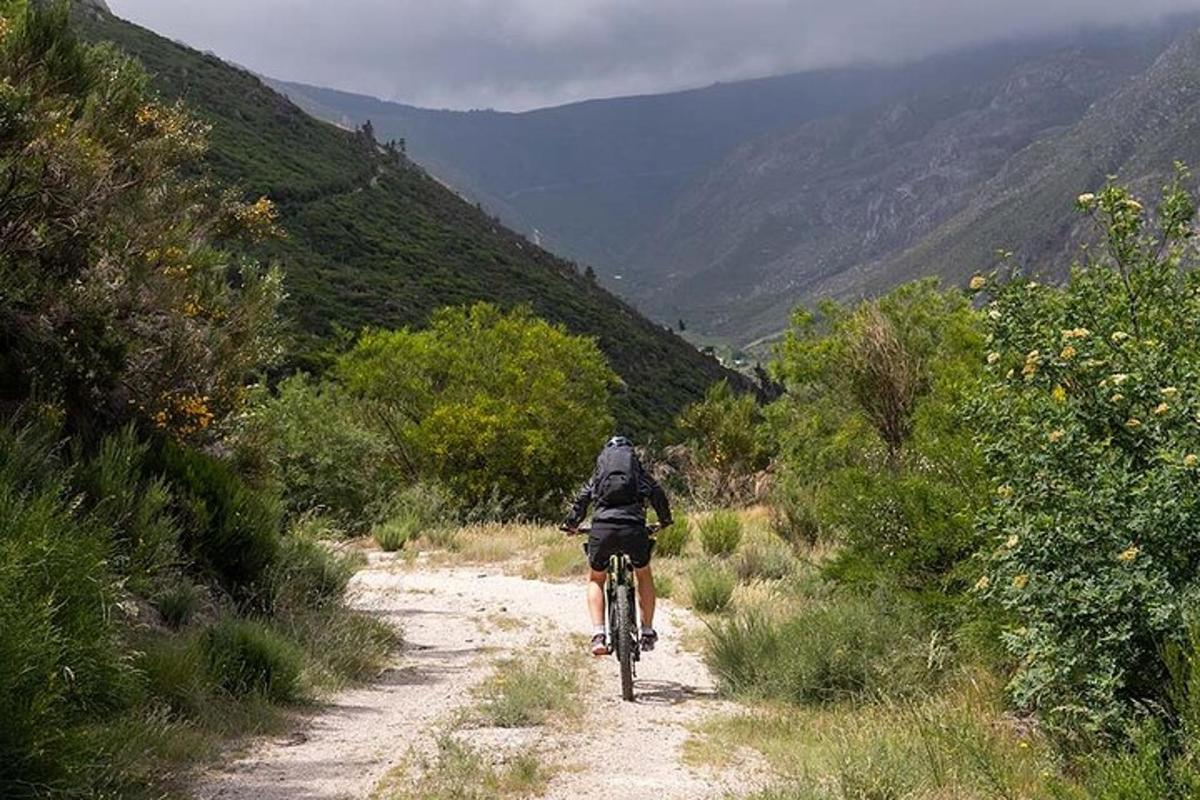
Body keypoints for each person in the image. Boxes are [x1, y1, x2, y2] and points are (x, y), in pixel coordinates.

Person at [563, 436, 673, 657]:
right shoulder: (638, 474)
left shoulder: (599, 475)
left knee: (596, 578)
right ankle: (648, 631)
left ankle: (598, 634)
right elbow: (657, 494)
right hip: (633, 528)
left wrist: (571, 524)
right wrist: (664, 520)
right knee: (643, 573)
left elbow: (583, 498)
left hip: (603, 529)